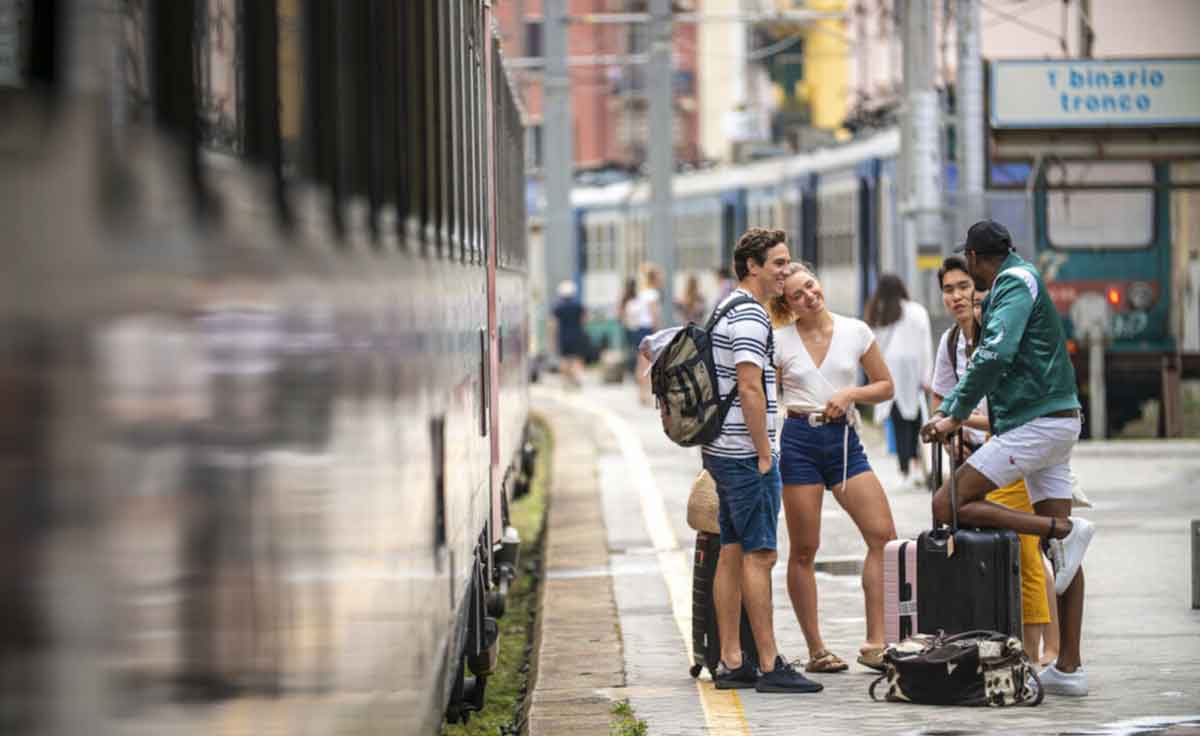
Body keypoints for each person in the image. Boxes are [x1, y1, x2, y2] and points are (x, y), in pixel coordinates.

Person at [921, 220, 1095, 697]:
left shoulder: (1013, 284)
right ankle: (1070, 668)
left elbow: (996, 353)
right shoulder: (1019, 280)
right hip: (1052, 420)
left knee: (948, 502)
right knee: (1063, 558)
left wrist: (953, 413)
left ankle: (1061, 530)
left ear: (976, 257)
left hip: (1035, 424)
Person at [704, 227, 821, 694]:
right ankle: (770, 664)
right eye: (777, 263)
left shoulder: (724, 307)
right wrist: (766, 452)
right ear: (752, 266)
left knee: (732, 551)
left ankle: (732, 659)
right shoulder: (751, 316)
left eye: (787, 263)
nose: (785, 272)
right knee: (761, 553)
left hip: (720, 449)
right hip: (745, 452)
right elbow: (750, 386)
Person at [767, 262, 898, 674]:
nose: (809, 297)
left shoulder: (855, 330)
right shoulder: (779, 341)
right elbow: (766, 398)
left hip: (844, 442)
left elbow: (885, 386)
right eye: (797, 296)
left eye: (810, 286)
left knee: (883, 536)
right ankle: (816, 649)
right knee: (804, 549)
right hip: (799, 442)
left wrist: (850, 393)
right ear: (788, 306)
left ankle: (876, 642)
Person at [929, 257, 1054, 659]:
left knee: (1025, 554)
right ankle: (1019, 642)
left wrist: (962, 421)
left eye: (965, 286)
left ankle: (1034, 654)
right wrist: (951, 438)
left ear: (980, 289)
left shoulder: (1000, 335)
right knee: (1004, 550)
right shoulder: (950, 343)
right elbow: (939, 404)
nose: (958, 297)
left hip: (1013, 452)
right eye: (949, 289)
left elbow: (1011, 413)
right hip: (976, 461)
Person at [865, 274, 932, 490]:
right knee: (916, 422)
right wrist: (927, 375)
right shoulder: (917, 311)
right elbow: (925, 345)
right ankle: (916, 467)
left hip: (889, 372)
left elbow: (872, 346)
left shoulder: (878, 312)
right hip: (913, 372)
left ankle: (904, 470)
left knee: (899, 422)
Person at [631, 264, 663, 406]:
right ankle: (646, 394)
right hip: (649, 329)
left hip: (639, 329)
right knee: (648, 364)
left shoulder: (642, 293)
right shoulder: (652, 294)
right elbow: (654, 315)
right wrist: (658, 332)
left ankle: (641, 393)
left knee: (641, 363)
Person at [550, 280, 586, 388]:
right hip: (577, 335)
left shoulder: (558, 308)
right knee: (576, 358)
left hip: (563, 336)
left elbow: (553, 324)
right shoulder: (578, 306)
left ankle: (566, 382)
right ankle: (576, 379)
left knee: (564, 359)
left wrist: (552, 339)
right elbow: (584, 321)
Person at [619, 277, 639, 377]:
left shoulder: (624, 298)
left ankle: (630, 371)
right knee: (636, 350)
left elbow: (620, 314)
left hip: (628, 327)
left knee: (629, 349)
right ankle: (634, 370)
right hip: (637, 327)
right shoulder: (637, 297)